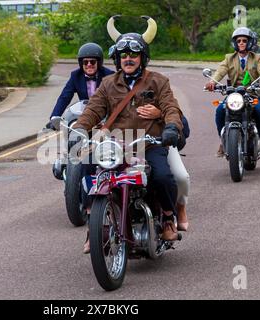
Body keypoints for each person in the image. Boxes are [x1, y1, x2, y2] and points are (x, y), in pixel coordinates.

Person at [74, 16, 184, 253]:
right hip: (115, 146)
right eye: (123, 56)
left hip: (149, 143)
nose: (128, 59)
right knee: (86, 164)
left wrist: (172, 127)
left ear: (142, 58)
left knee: (164, 176)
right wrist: (81, 128)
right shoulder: (107, 84)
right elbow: (93, 110)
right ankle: (93, 223)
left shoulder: (158, 81)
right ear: (117, 59)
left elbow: (171, 108)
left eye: (133, 55)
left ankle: (166, 217)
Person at [205, 27, 260, 157]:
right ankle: (223, 140)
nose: (241, 43)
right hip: (233, 94)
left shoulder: (257, 57)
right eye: (239, 40)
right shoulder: (229, 58)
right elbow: (220, 70)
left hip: (251, 93)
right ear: (235, 43)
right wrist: (212, 82)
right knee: (220, 110)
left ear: (250, 42)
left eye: (244, 40)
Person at [46, 43, 114, 125]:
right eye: (85, 62)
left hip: (106, 118)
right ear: (81, 64)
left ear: (99, 63)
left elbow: (116, 99)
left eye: (92, 62)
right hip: (85, 117)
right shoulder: (75, 76)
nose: (89, 65)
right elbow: (64, 97)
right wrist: (54, 117)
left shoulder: (109, 75)